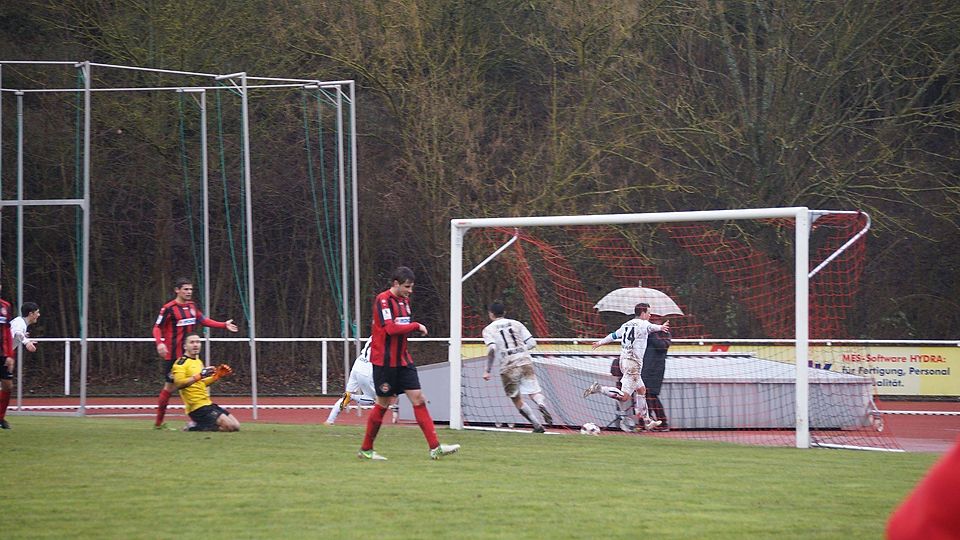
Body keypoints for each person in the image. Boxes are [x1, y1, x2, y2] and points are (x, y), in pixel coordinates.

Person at [357, 266, 459, 461]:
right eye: (407, 287)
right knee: (383, 403)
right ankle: (366, 449)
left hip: (403, 360)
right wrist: (416, 326)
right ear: (396, 284)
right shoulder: (383, 300)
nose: (410, 291)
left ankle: (435, 448)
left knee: (418, 399)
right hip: (385, 363)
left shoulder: (405, 302)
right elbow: (391, 329)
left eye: (411, 287)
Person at [152, 277, 239, 430]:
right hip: (173, 356)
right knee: (170, 388)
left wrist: (223, 325)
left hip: (190, 357)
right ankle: (159, 424)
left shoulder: (192, 306)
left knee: (195, 383)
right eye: (185, 289)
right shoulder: (169, 308)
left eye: (191, 289)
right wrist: (160, 343)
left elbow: (203, 320)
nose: (189, 292)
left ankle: (198, 419)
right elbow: (157, 327)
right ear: (177, 290)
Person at [583, 302, 669, 431]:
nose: (650, 314)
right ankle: (599, 389)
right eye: (649, 312)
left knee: (641, 390)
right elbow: (652, 327)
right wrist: (661, 327)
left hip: (624, 361)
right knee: (624, 397)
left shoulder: (626, 324)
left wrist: (600, 342)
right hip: (633, 364)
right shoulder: (644, 324)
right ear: (643, 313)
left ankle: (647, 420)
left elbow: (613, 336)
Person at [481, 301, 553, 433]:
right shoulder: (516, 324)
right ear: (504, 312)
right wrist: (520, 350)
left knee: (516, 398)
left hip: (508, 365)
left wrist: (487, 370)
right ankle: (541, 404)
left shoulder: (488, 329)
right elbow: (532, 342)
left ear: (491, 314)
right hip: (525, 360)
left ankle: (537, 425)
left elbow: (492, 348)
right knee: (534, 391)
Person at [171, 333, 239, 432]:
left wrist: (217, 376)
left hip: (207, 404)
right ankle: (193, 427)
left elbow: (201, 383)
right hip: (196, 408)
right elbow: (179, 384)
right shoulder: (180, 363)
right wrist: (200, 375)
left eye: (198, 342)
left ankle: (201, 424)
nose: (195, 345)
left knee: (236, 426)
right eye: (192, 342)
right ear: (185, 346)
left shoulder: (198, 361)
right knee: (228, 427)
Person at [326, 339, 398, 425]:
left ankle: (330, 420)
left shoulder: (375, 334)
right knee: (375, 399)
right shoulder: (388, 338)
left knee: (346, 396)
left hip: (358, 364)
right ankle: (352, 397)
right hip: (368, 369)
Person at [640, 323, 672, 432]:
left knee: (652, 395)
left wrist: (652, 334)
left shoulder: (664, 334)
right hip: (644, 368)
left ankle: (662, 423)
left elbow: (662, 346)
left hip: (656, 370)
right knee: (643, 395)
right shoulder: (645, 332)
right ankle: (646, 422)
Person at [0, 288, 16, 430]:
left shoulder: (5, 306)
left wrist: (10, 355)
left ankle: (0, 418)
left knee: (8, 385)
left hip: (2, 355)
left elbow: (7, 331)